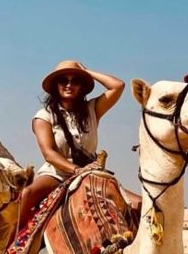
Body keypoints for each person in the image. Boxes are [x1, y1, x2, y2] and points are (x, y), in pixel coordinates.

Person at [18, 60, 125, 225]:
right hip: (57, 174)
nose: (69, 85)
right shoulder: (44, 116)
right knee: (28, 194)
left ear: (81, 86)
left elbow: (118, 86)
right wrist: (77, 170)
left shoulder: (92, 110)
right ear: (55, 85)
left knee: (136, 204)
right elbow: (49, 154)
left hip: (91, 173)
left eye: (75, 81)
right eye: (64, 80)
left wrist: (88, 73)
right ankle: (11, 244)